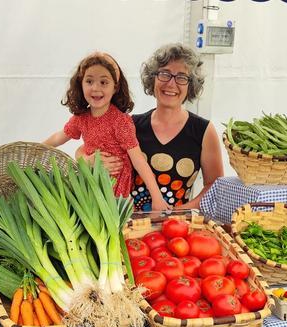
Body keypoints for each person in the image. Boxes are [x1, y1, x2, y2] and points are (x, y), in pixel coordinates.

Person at [79, 43, 224, 212]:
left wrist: (176, 213)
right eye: (164, 74)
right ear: (152, 78)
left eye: (182, 77)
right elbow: (85, 148)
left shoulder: (203, 131)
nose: (171, 84)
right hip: (129, 224)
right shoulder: (131, 124)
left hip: (176, 229)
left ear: (191, 85)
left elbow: (214, 186)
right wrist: (86, 160)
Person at [44, 51, 170, 211]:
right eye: (89, 81)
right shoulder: (81, 118)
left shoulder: (120, 121)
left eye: (104, 82)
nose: (96, 88)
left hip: (115, 190)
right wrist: (36, 149)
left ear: (115, 87)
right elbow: (58, 138)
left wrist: (157, 198)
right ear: (80, 84)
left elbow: (139, 162)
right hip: (90, 182)